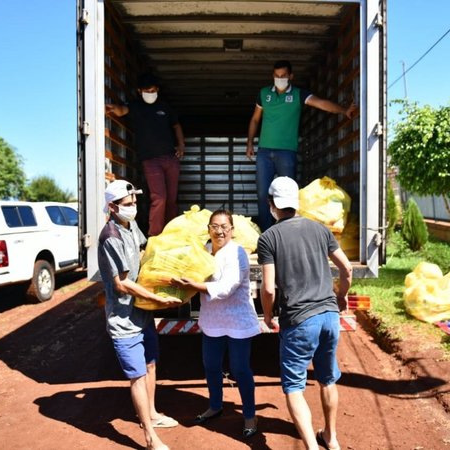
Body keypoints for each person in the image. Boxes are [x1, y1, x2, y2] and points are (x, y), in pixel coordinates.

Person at [257, 176, 352, 450]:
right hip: (329, 316)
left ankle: (311, 446)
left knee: (294, 386)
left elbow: (268, 289)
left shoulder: (269, 238)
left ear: (271, 204)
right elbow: (346, 269)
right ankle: (331, 438)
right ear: (296, 202)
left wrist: (267, 316)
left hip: (299, 320)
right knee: (327, 378)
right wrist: (341, 296)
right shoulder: (321, 230)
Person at [97, 179, 183, 450]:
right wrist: (157, 297)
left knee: (150, 365)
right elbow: (122, 283)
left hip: (142, 313)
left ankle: (153, 414)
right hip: (123, 319)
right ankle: (149, 437)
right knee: (137, 375)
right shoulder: (110, 236)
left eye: (134, 203)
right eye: (127, 204)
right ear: (112, 207)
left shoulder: (131, 225)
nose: (133, 207)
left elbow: (145, 252)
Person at [170, 210, 260, 438]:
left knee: (240, 369)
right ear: (208, 229)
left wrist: (195, 285)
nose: (219, 231)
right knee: (210, 365)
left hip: (237, 319)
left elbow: (227, 288)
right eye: (215, 226)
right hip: (212, 319)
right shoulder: (204, 252)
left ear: (232, 230)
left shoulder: (237, 253)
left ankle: (249, 415)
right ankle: (215, 405)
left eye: (224, 227)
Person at [246, 60, 357, 232]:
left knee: (289, 194)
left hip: (287, 153)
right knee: (262, 195)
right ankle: (266, 234)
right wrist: (249, 143)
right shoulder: (264, 94)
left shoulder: (298, 94)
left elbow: (321, 103)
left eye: (283, 76)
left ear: (291, 76)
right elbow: (254, 119)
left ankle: (288, 232)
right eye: (276, 76)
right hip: (264, 152)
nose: (280, 79)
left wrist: (343, 110)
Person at [106, 73, 186, 237]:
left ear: (157, 89)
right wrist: (111, 108)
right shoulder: (136, 106)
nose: (150, 92)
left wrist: (181, 145)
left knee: (171, 200)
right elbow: (122, 110)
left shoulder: (165, 107)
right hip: (151, 161)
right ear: (139, 91)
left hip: (170, 158)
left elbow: (176, 125)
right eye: (147, 90)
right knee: (159, 198)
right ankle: (155, 236)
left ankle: (171, 235)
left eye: (153, 89)